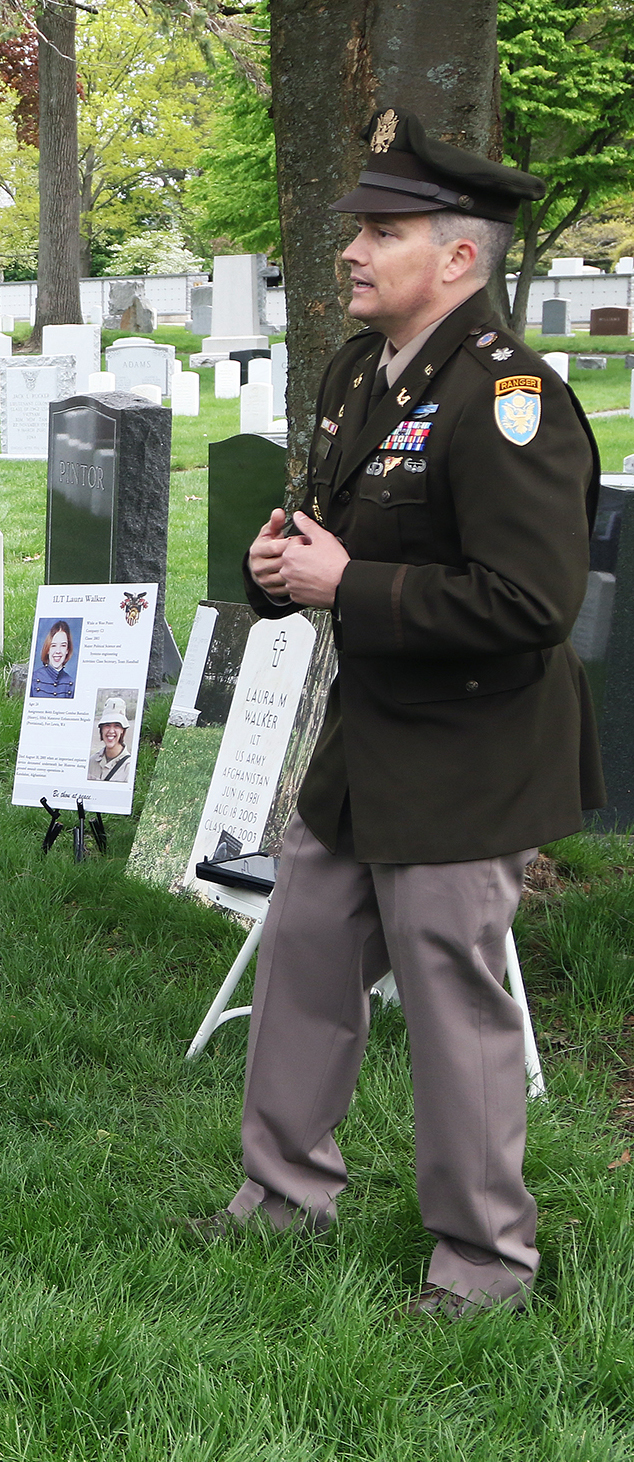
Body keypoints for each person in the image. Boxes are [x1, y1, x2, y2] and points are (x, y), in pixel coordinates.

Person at [190, 109, 604, 1318]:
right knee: (306, 956)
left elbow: (530, 601)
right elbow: (337, 532)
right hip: (366, 737)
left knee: (449, 998)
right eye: (355, 229)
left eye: (384, 230)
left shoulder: (509, 397)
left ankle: (480, 1265)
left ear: (459, 257)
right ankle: (279, 1197)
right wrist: (286, 567)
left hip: (470, 751)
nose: (351, 251)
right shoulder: (351, 373)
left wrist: (347, 586)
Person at [88, 697, 133, 781]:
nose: (111, 731)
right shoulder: (92, 761)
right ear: (101, 729)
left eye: (117, 725)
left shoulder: (129, 767)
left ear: (122, 730)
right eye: (107, 725)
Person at [30, 621, 76, 698]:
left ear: (67, 650)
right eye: (53, 645)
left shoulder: (71, 683)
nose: (58, 651)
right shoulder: (34, 678)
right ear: (48, 649)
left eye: (63, 645)